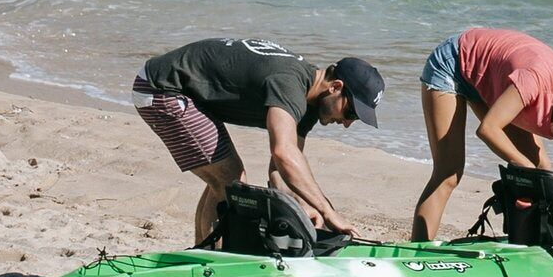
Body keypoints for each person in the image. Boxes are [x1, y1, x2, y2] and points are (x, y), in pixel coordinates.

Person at [130, 35, 382, 245]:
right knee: (229, 180)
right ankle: (207, 262)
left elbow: (280, 172)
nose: (348, 123)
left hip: (184, 91)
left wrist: (307, 207)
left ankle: (202, 253)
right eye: (351, 112)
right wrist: (329, 211)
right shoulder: (290, 84)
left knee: (223, 180)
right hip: (161, 88)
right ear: (335, 87)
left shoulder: (309, 105)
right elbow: (283, 153)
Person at [406, 26, 553, 240]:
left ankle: (536, 241)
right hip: (454, 63)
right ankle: (417, 253)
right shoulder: (535, 79)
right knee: (448, 173)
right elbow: (488, 129)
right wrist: (525, 169)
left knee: (541, 169)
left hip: (490, 75)